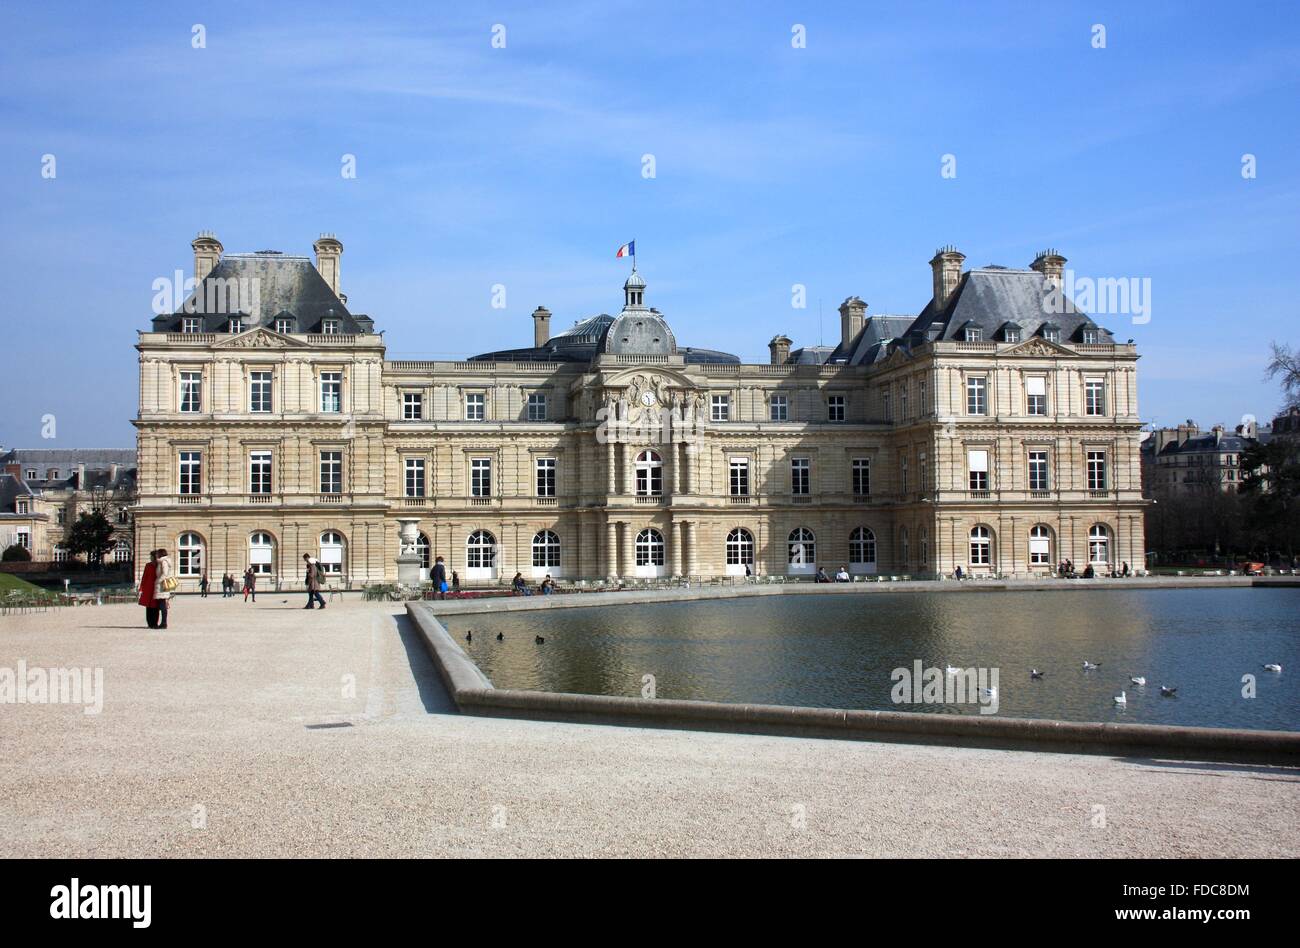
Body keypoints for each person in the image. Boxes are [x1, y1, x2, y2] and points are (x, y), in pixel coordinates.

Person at [138, 550, 159, 629]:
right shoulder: (148, 565)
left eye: (151, 556)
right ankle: (150, 623)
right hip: (148, 588)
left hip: (156, 587)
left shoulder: (159, 565)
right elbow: (144, 577)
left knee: (155, 607)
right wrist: (141, 588)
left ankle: (154, 623)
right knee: (149, 606)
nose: (150, 558)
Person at [154, 548, 174, 629]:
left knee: (162, 605)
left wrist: (158, 581)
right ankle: (163, 623)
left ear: (160, 554)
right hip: (162, 586)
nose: (156, 555)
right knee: (162, 605)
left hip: (162, 586)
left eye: (157, 554)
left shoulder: (163, 562)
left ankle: (164, 623)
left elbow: (164, 573)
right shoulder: (162, 562)